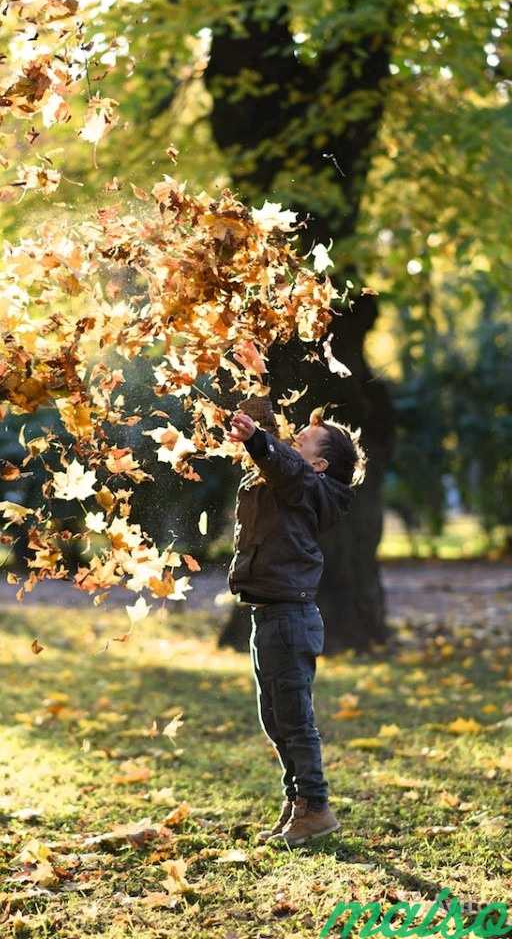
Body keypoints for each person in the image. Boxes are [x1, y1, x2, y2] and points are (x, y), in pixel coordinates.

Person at [226, 352, 367, 847]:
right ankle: (297, 803)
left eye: (302, 441)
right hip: (269, 614)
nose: (293, 441)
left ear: (320, 462)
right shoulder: (288, 477)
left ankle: (316, 806)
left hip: (289, 616)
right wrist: (256, 397)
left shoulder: (310, 488)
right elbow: (272, 457)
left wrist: (262, 442)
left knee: (295, 717)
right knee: (275, 716)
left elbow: (283, 464)